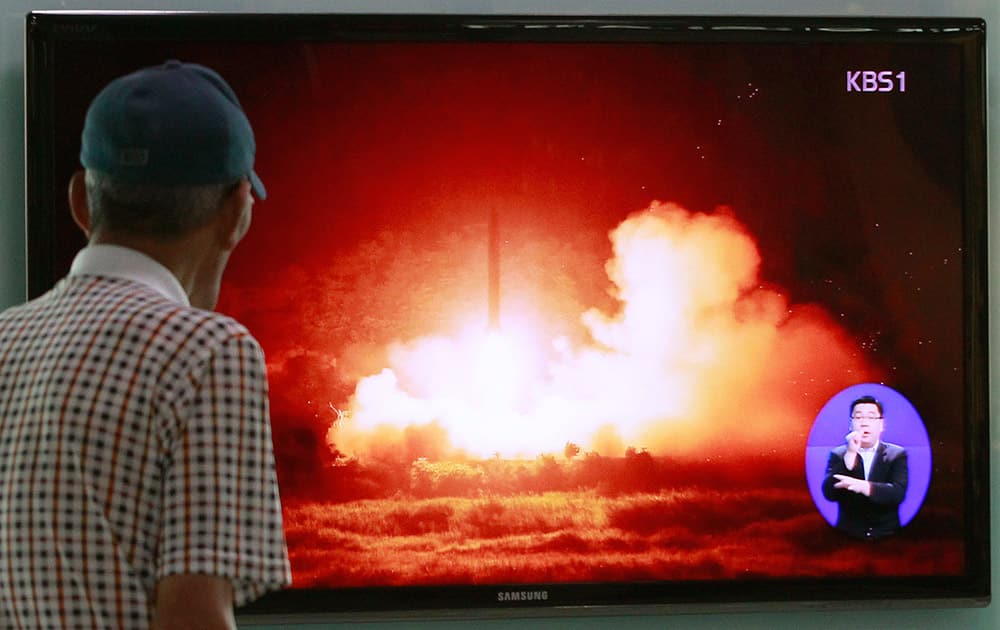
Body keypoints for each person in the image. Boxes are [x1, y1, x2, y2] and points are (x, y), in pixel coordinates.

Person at [0, 61, 291, 629]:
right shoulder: (209, 351)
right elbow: (193, 616)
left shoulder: (6, 339)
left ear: (81, 202)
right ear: (237, 213)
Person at [821, 394, 908, 540]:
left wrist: (863, 486)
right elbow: (829, 494)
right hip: (848, 535)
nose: (864, 423)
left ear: (881, 425)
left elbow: (897, 493)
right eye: (859, 417)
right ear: (850, 424)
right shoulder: (838, 454)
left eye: (871, 417)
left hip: (888, 534)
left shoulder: (896, 454)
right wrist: (850, 454)